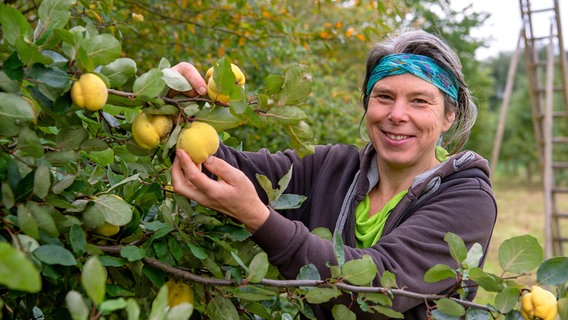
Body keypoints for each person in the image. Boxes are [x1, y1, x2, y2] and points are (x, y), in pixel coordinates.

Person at [170, 28, 497, 319]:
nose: (397, 115)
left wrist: (259, 218)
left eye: (419, 101)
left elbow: (377, 287)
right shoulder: (330, 168)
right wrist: (178, 111)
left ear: (448, 116)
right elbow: (230, 170)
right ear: (367, 104)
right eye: (384, 97)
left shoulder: (467, 200)